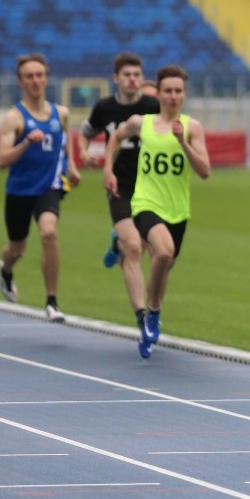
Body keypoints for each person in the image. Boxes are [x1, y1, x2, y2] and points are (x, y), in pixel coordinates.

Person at [103, 65, 210, 359]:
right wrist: (108, 169)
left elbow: (205, 171)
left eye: (178, 91)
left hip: (178, 210)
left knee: (163, 268)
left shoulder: (192, 127)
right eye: (168, 91)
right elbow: (114, 139)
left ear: (184, 95)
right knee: (162, 252)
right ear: (159, 93)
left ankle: (150, 318)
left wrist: (182, 142)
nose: (173, 96)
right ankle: (152, 313)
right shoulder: (142, 122)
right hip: (146, 203)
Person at [78, 53, 160, 330]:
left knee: (148, 248)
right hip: (120, 187)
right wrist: (83, 151)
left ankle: (117, 241)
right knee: (134, 247)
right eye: (127, 75)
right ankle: (141, 315)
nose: (133, 79)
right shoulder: (104, 108)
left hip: (150, 188)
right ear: (116, 78)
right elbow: (85, 132)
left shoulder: (152, 105)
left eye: (137, 74)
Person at [0, 54, 80, 322]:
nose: (35, 81)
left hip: (49, 187)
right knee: (16, 249)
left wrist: (73, 167)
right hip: (20, 190)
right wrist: (25, 144)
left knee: (49, 233)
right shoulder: (14, 118)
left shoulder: (61, 113)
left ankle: (52, 302)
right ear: (21, 81)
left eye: (39, 75)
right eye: (29, 76)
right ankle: (5, 269)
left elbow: (65, 141)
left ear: (46, 78)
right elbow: (1, 160)